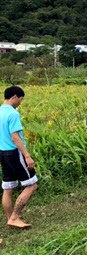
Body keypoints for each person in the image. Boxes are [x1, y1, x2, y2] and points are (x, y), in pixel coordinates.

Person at [0, 86, 37, 229]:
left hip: (2, 152)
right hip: (14, 153)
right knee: (31, 184)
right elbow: (15, 137)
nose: (20, 103)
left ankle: (11, 218)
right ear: (15, 97)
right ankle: (15, 217)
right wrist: (27, 156)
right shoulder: (13, 114)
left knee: (8, 188)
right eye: (21, 100)